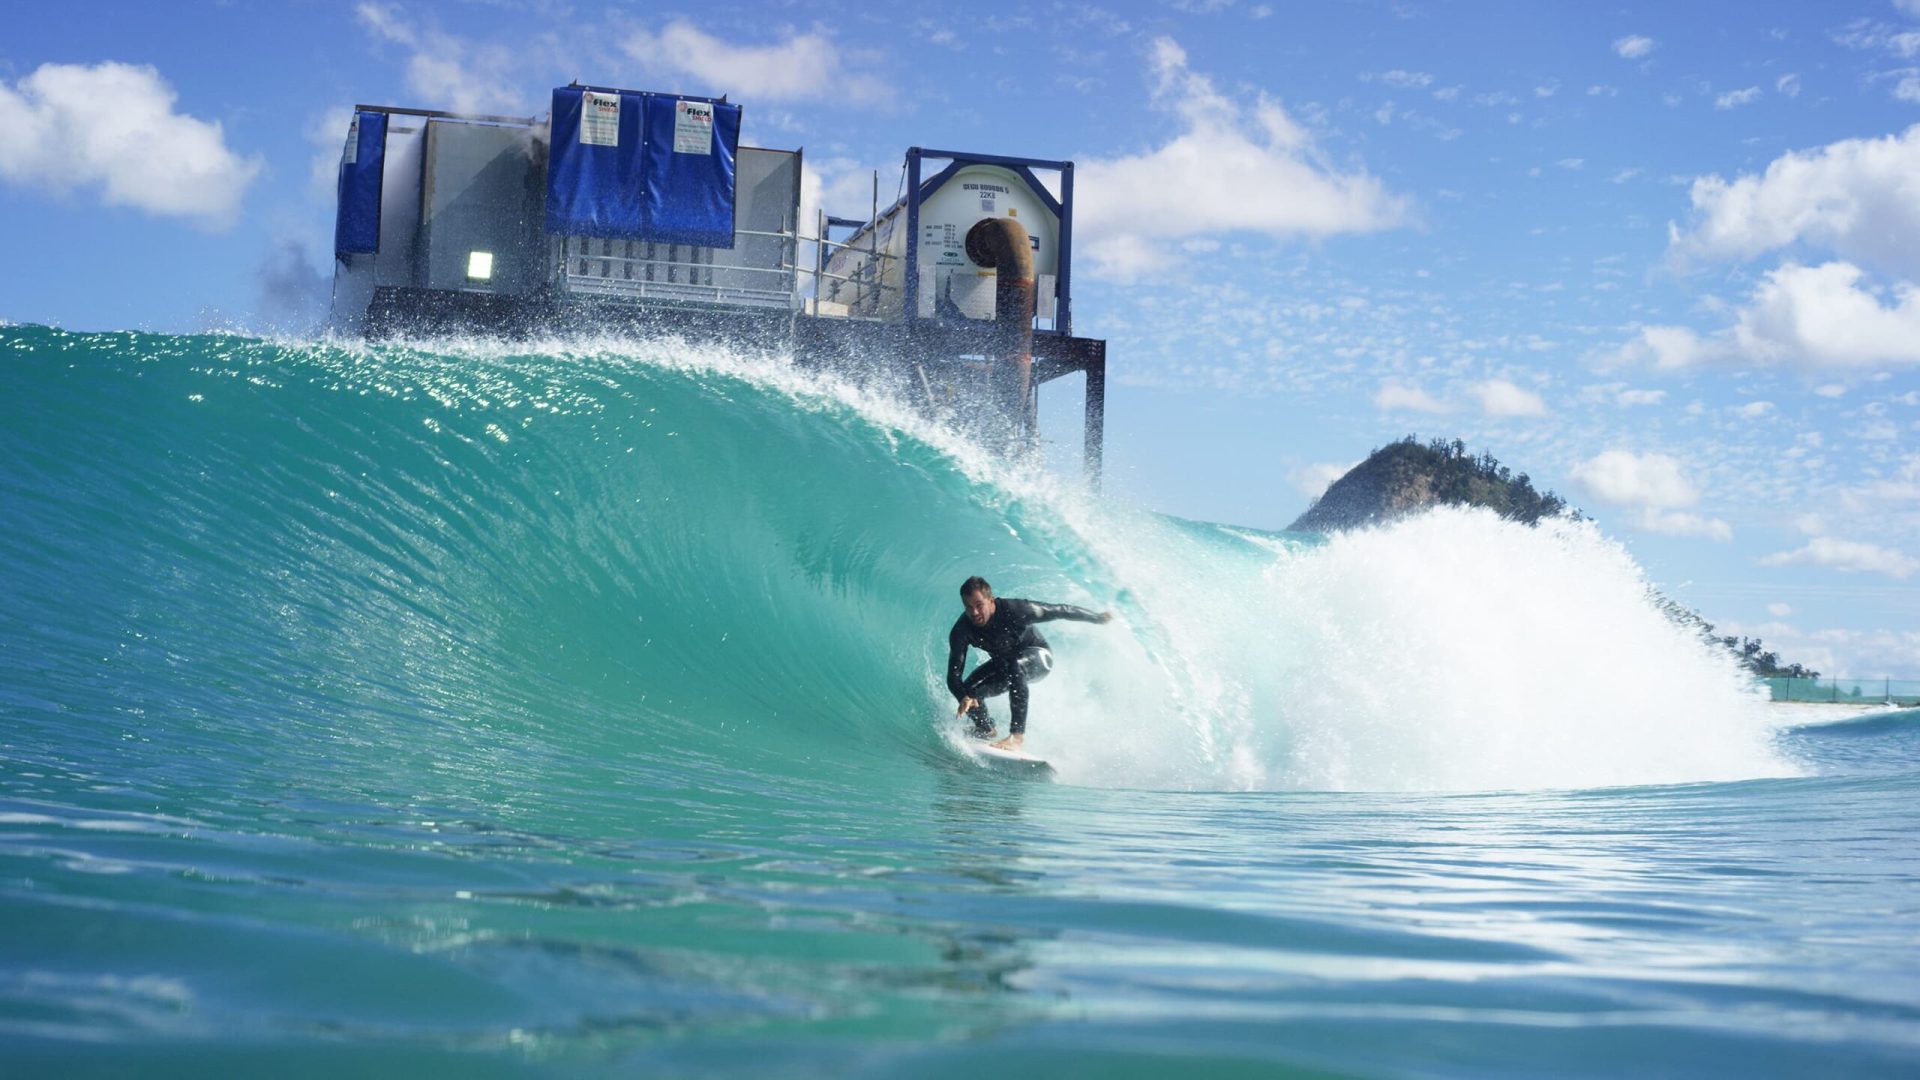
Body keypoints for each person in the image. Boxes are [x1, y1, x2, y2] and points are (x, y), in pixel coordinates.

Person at [946, 575, 1111, 751]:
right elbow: (953, 677)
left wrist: (1097, 618)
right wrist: (963, 697)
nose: (975, 613)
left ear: (991, 600)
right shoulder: (962, 630)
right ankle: (986, 729)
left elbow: (1060, 610)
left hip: (1038, 657)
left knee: (1015, 666)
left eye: (979, 605)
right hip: (1005, 664)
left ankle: (1016, 737)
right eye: (969, 607)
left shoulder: (1016, 610)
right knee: (970, 689)